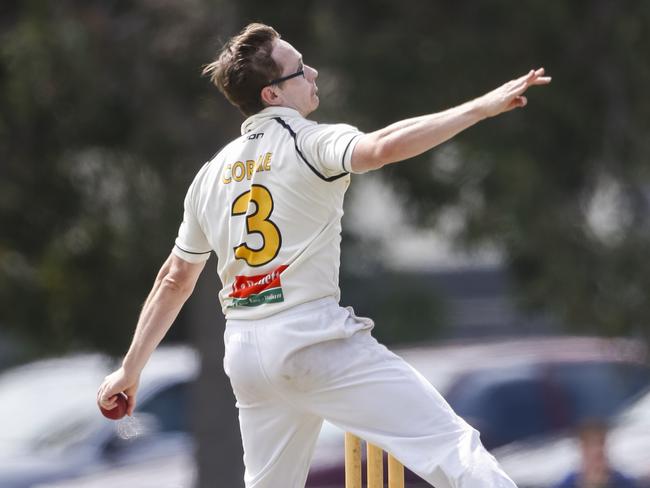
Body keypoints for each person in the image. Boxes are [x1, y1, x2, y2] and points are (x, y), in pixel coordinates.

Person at [97, 22, 551, 488]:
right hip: (311, 338)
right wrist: (481, 108)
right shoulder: (307, 141)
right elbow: (383, 147)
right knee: (451, 446)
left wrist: (130, 369)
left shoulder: (212, 173)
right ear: (273, 95)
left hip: (248, 353)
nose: (312, 72)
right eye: (298, 69)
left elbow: (174, 279)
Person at [554, 420, 636, 488]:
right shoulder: (567, 484)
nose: (597, 450)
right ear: (582, 449)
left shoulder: (623, 483)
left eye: (601, 443)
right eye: (590, 444)